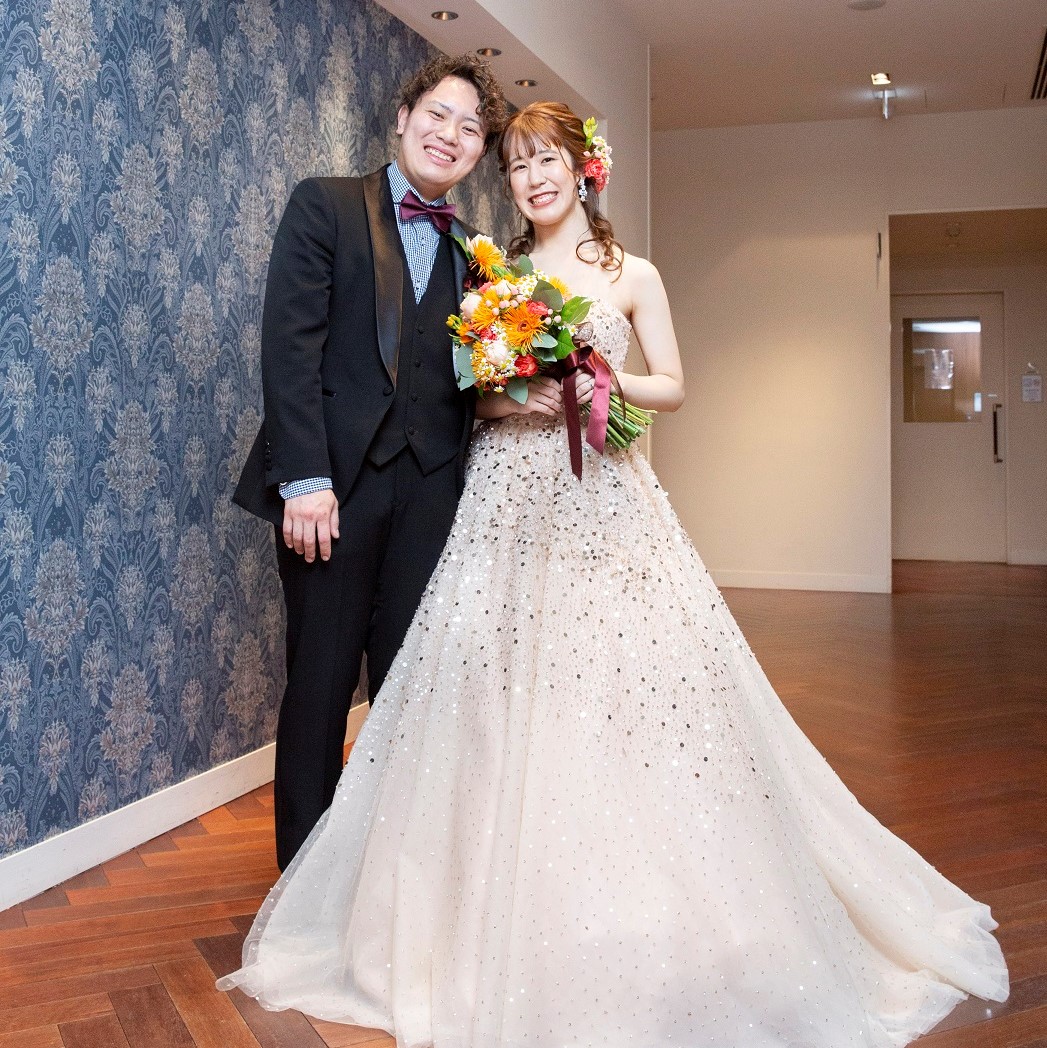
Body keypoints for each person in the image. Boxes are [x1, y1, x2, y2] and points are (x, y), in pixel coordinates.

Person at [219, 102, 1009, 1045]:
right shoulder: (491, 271)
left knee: (620, 689)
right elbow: (469, 395)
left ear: (583, 171)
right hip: (500, 497)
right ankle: (425, 902)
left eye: (545, 160)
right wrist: (518, 392)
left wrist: (597, 381)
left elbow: (671, 384)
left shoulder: (632, 273)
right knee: (475, 693)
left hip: (601, 497)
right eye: (516, 164)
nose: (530, 177)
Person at [232, 55, 508, 871]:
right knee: (319, 686)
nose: (450, 135)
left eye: (470, 129)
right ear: (402, 117)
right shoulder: (326, 204)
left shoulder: (475, 256)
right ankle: (303, 882)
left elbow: (469, 381)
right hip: (333, 492)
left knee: (407, 691)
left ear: (478, 151)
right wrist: (305, 481)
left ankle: (386, 878)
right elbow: (289, 350)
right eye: (438, 115)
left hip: (432, 492)